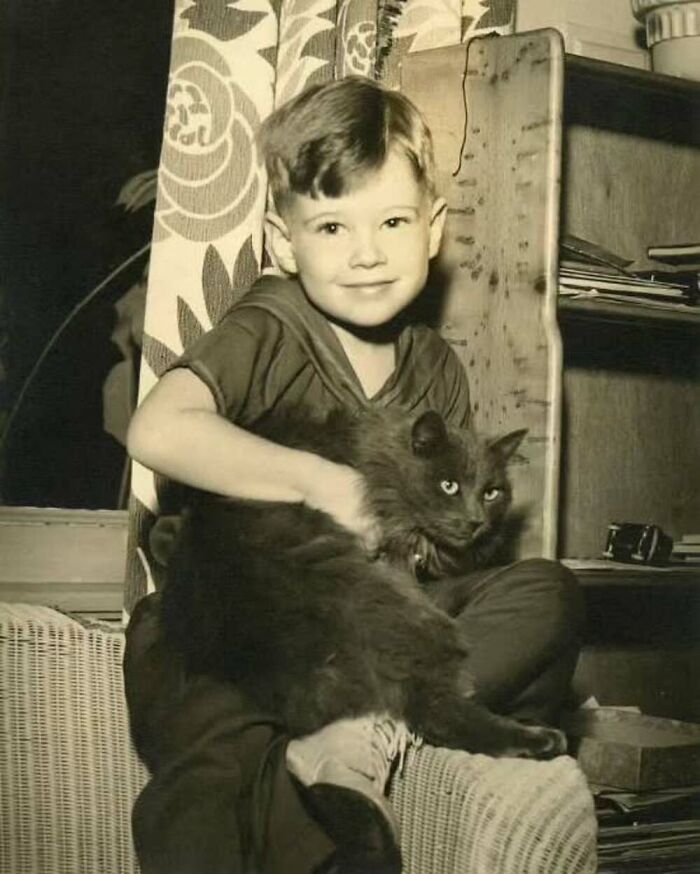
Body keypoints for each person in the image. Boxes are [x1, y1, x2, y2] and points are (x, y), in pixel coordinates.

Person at [124, 76, 584, 874]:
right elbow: (158, 429)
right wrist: (317, 482)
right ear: (283, 239)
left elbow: (430, 560)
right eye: (332, 224)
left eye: (393, 221)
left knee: (545, 593)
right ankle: (337, 757)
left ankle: (361, 731)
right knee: (214, 746)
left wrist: (437, 544)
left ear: (433, 229)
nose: (366, 253)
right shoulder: (271, 323)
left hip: (371, 624)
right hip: (247, 610)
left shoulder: (435, 369)